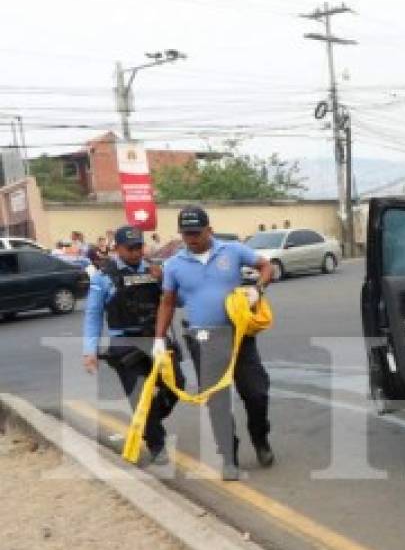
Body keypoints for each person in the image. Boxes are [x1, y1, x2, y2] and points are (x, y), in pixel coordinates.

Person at [153, 206, 276, 481]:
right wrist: (159, 339)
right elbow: (168, 301)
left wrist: (258, 289)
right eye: (187, 234)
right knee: (217, 402)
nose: (192, 239)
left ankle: (260, 438)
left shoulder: (232, 251)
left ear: (209, 229)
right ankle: (229, 457)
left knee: (256, 393)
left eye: (197, 233)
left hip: (239, 336)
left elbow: (267, 266)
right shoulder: (174, 265)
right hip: (204, 340)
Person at [82, 225, 184, 464]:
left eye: (140, 247)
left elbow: (176, 302)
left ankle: (151, 418)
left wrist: (165, 282)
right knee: (140, 396)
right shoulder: (103, 277)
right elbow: (93, 315)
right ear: (117, 249)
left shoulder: (155, 270)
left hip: (156, 338)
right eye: (131, 248)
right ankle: (157, 443)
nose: (137, 252)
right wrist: (90, 351)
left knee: (176, 384)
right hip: (125, 343)